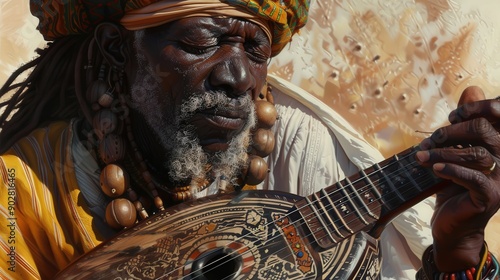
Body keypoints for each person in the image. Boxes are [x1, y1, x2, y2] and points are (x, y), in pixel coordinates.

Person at [0, 0, 498, 279]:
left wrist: (459, 252)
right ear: (116, 49)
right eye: (201, 43)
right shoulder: (24, 191)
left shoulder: (300, 151)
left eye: (255, 48)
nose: (238, 76)